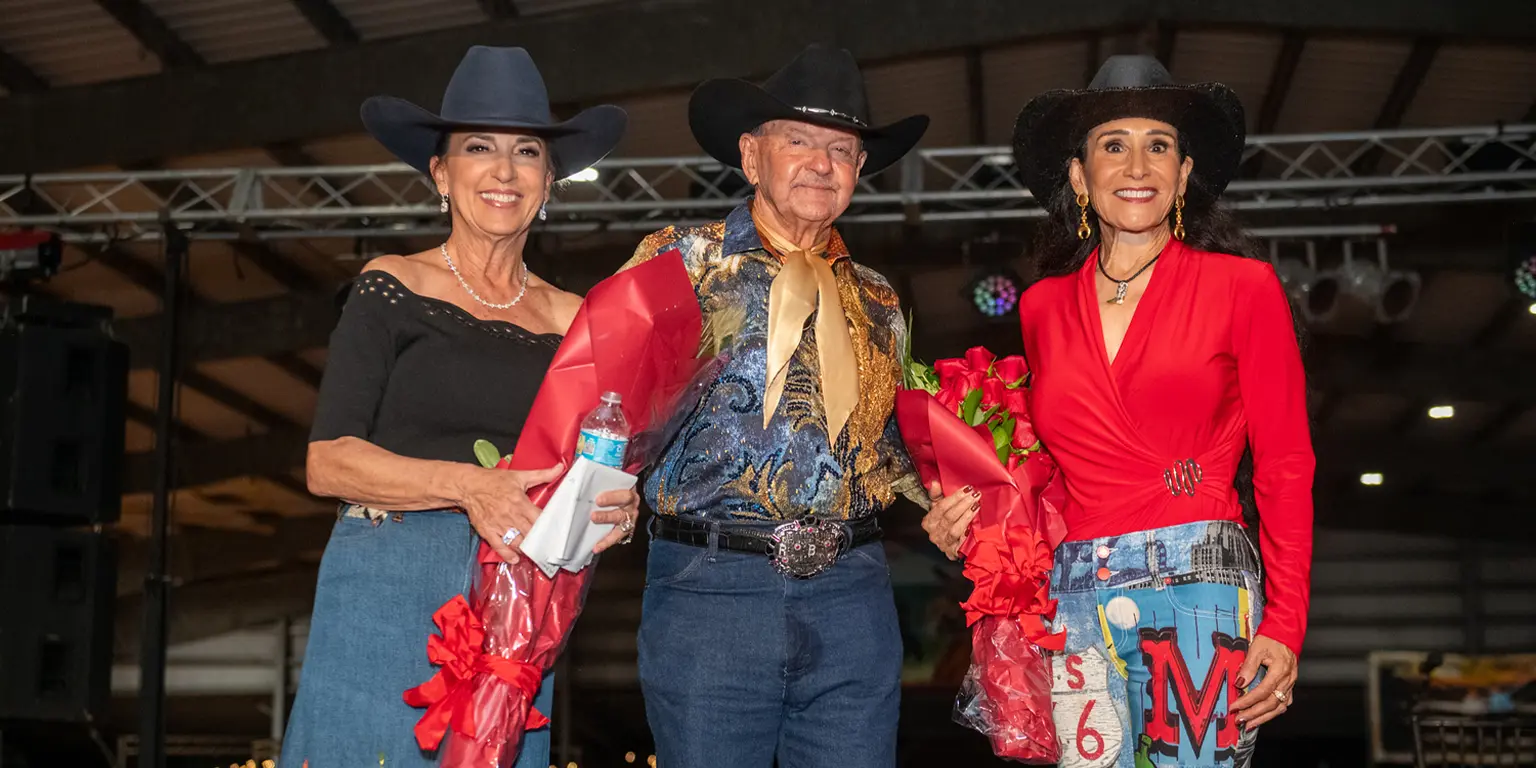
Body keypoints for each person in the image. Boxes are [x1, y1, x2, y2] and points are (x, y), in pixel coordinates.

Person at [929, 56, 1315, 767]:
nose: (1138, 165)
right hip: (1076, 593)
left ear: (1183, 173)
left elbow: (1286, 462)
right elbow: (1051, 469)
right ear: (1080, 176)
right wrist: (972, 512)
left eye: (1158, 145)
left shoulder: (1245, 287)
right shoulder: (1042, 306)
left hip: (1198, 583)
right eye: (1114, 145)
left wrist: (1286, 623)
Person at [279, 46, 637, 768]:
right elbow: (327, 463)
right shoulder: (390, 285)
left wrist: (615, 504)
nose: (504, 171)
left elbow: (591, 457)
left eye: (526, 152)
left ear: (548, 181)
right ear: (441, 174)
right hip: (386, 584)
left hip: (519, 600)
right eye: (479, 147)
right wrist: (471, 486)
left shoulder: (580, 320)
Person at [619, 44, 969, 768]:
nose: (821, 163)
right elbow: (607, 399)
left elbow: (887, 446)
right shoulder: (680, 260)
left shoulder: (877, 298)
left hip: (853, 594)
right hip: (712, 589)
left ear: (859, 169)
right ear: (752, 157)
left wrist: (947, 498)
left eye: (840, 149)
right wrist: (598, 486)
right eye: (799, 141)